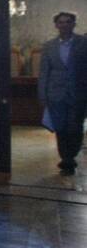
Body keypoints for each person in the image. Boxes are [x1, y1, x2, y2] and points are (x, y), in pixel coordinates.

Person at [38, 12, 87, 175]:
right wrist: (42, 95)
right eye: (61, 22)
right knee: (60, 128)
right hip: (56, 94)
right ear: (56, 25)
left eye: (68, 22)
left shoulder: (83, 43)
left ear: (73, 24)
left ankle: (71, 156)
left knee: (75, 127)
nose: (64, 25)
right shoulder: (49, 46)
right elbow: (44, 72)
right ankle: (66, 159)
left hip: (78, 93)